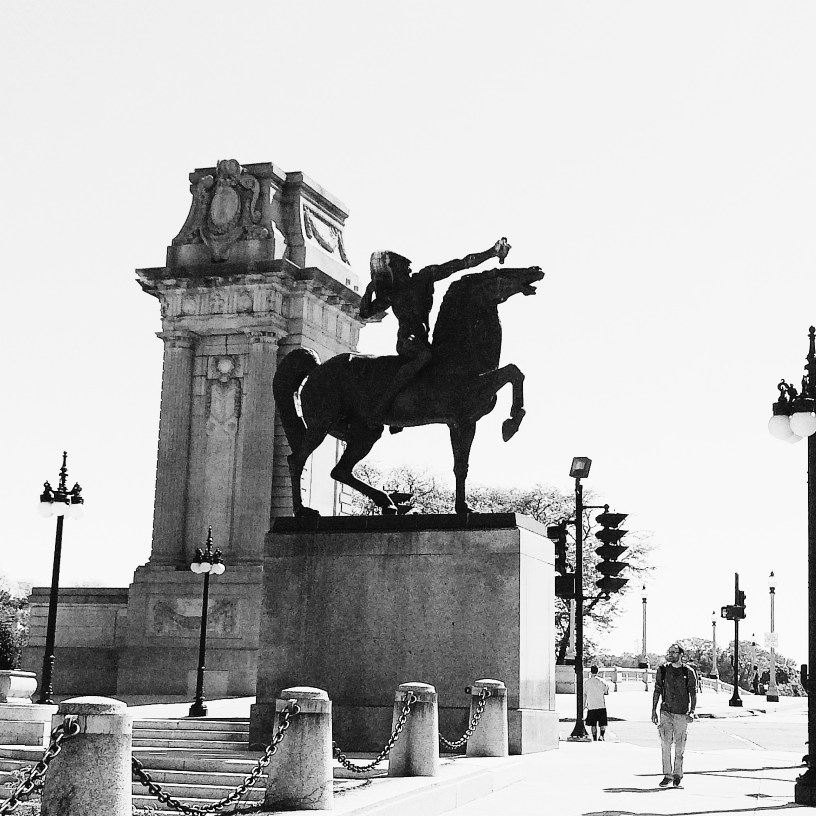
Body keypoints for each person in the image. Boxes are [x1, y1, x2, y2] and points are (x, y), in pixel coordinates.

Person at [358, 238, 511, 425]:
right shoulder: (393, 293)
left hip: (424, 340)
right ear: (392, 271)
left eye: (405, 264)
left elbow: (460, 264)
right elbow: (365, 313)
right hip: (408, 341)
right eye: (401, 265)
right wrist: (370, 289)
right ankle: (385, 403)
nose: (407, 267)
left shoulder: (424, 278)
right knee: (423, 357)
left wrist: (491, 252)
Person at [652, 643, 697, 788]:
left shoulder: (688, 672)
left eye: (674, 652)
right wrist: (653, 710)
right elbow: (657, 690)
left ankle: (677, 775)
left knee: (679, 746)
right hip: (666, 712)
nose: (670, 654)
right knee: (665, 744)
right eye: (669, 652)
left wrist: (692, 711)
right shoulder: (663, 670)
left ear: (681, 654)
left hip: (681, 714)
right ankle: (667, 775)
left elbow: (693, 693)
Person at [583, 664, 609, 740]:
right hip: (601, 705)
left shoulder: (587, 682)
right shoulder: (603, 681)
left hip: (591, 706)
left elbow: (584, 694)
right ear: (598, 672)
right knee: (602, 723)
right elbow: (606, 692)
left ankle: (594, 738)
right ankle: (601, 736)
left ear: (591, 672)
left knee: (593, 724)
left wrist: (584, 705)